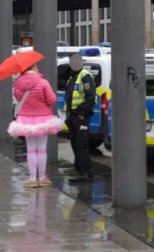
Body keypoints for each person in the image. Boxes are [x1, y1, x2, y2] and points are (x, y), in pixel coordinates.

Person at [7, 64, 61, 188]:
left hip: (25, 119)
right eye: (37, 67)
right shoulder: (43, 82)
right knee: (42, 148)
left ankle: (32, 179)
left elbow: (18, 97)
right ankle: (42, 178)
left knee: (30, 149)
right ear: (35, 69)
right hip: (43, 118)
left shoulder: (18, 83)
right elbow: (52, 100)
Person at [64, 53, 96, 182]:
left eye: (76, 61)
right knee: (75, 143)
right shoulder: (72, 77)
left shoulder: (85, 76)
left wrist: (83, 113)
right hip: (73, 116)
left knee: (81, 144)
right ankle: (82, 170)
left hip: (81, 116)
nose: (74, 63)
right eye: (72, 61)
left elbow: (90, 97)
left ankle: (83, 172)